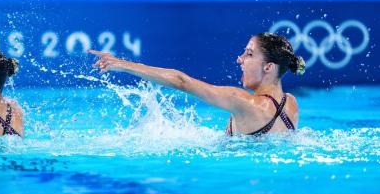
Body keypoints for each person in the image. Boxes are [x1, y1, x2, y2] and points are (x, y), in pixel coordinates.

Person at [89, 33, 305, 136]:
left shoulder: (244, 102)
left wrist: (123, 65)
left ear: (268, 67)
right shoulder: (291, 104)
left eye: (248, 54)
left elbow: (182, 82)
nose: (240, 59)